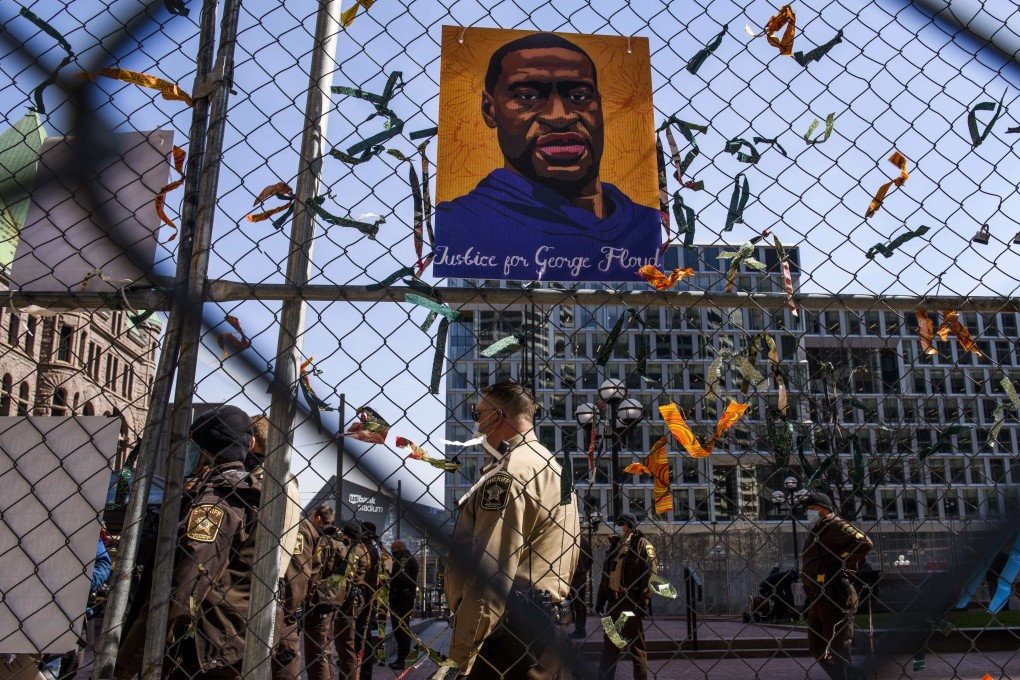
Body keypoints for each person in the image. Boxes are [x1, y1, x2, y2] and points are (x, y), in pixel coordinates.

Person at [433, 32, 660, 281]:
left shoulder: (645, 225)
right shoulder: (460, 223)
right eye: (527, 97)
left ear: (599, 105)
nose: (559, 116)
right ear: (490, 109)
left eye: (579, 97)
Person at [446, 381, 579, 679]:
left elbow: (489, 576)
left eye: (477, 413)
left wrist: (458, 660)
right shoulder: (554, 468)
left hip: (505, 639)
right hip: (546, 629)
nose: (476, 424)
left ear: (498, 416)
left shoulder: (509, 473)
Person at [164, 405, 262, 680]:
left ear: (203, 450)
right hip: (239, 636)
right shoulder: (260, 494)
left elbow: (188, 577)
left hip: (203, 647)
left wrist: (159, 635)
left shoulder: (216, 500)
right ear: (250, 444)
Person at [800, 491, 873, 680]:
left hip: (837, 593)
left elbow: (864, 542)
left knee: (838, 645)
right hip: (818, 595)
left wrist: (839, 561)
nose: (809, 512)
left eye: (812, 508)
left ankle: (846, 676)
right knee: (816, 646)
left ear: (824, 509)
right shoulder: (818, 529)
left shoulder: (838, 525)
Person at [595, 513, 657, 680]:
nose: (621, 527)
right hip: (613, 603)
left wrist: (644, 601)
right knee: (609, 647)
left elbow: (650, 574)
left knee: (636, 648)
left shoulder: (644, 545)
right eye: (619, 524)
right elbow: (606, 574)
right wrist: (600, 600)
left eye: (624, 524)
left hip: (630, 602)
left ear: (631, 525)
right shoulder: (615, 545)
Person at [302, 506, 346, 680]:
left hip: (319, 599)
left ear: (318, 518)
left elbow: (313, 572)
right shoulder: (341, 543)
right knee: (326, 647)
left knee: (316, 650)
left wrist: (311, 592)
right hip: (334, 599)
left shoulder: (321, 541)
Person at [334, 520, 370, 680]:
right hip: (353, 599)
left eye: (344, 534)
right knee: (345, 642)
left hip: (350, 601)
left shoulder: (354, 551)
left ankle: (348, 676)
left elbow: (345, 574)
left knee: (345, 643)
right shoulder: (361, 548)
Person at [355, 522, 382, 680]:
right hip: (369, 592)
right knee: (363, 630)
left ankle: (364, 668)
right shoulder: (373, 546)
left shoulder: (368, 548)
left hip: (366, 592)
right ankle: (364, 665)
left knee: (362, 631)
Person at [388, 540, 419, 669]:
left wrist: (389, 572)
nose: (391, 550)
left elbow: (402, 577)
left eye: (393, 548)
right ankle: (402, 658)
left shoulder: (404, 559)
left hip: (402, 599)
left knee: (401, 630)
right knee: (401, 630)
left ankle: (403, 659)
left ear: (399, 548)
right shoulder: (405, 558)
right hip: (401, 599)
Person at [568, 508, 594, 639]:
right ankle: (580, 628)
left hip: (574, 575)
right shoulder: (584, 542)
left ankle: (579, 629)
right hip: (581, 575)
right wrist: (584, 569)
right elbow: (590, 559)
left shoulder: (573, 542)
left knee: (576, 603)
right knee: (579, 602)